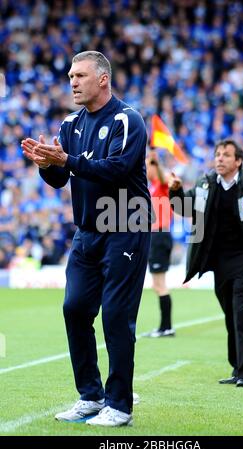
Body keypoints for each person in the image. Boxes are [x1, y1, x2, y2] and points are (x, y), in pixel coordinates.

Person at [21, 51, 151, 426]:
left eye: (79, 75)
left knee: (115, 315)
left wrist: (65, 161)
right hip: (88, 230)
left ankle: (120, 405)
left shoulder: (128, 119)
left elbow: (116, 169)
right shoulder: (70, 123)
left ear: (103, 78)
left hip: (127, 225)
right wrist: (47, 165)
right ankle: (91, 396)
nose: (73, 82)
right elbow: (61, 178)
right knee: (74, 308)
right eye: (70, 76)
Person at [169, 139, 243, 387]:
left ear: (239, 161)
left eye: (226, 155)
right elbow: (184, 209)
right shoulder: (205, 184)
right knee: (230, 316)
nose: (219, 158)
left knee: (241, 314)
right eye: (218, 154)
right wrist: (176, 191)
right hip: (219, 263)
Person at [144, 150, 175, 337]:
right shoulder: (152, 187)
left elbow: (165, 179)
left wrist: (156, 161)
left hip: (160, 235)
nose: (145, 169)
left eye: (148, 166)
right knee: (158, 285)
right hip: (154, 236)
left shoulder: (161, 184)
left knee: (160, 285)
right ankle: (164, 327)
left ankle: (166, 327)